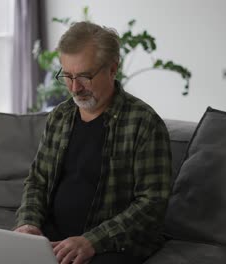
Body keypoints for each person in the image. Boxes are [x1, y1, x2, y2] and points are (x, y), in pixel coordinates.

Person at [14, 21, 172, 264]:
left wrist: (92, 241)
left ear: (112, 69)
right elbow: (38, 181)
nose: (75, 88)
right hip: (55, 239)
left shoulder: (144, 123)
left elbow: (152, 204)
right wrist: (28, 223)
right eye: (67, 76)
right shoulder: (59, 117)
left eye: (85, 76)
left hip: (113, 245)